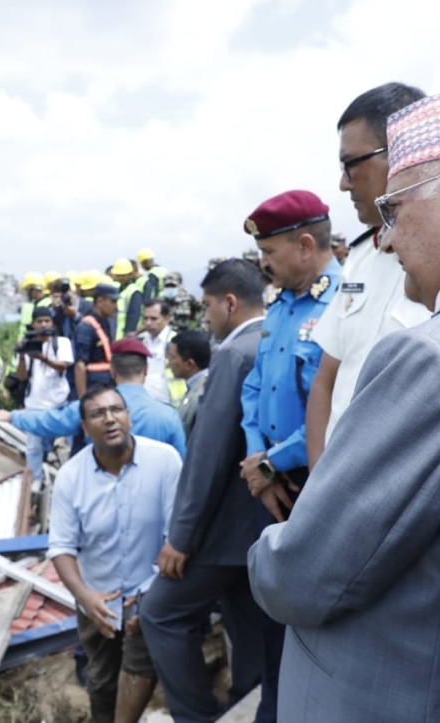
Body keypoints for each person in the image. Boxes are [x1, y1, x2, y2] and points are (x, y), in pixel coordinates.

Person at [247, 92, 440, 723]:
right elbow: (323, 383)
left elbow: (299, 574)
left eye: (397, 207)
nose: (384, 233)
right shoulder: (359, 266)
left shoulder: (427, 359)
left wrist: (288, 540)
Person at [140, 259, 265, 723]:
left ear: (229, 303)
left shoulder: (232, 354)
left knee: (160, 614)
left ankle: (194, 715)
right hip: (260, 528)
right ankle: (248, 705)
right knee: (249, 627)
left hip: (222, 530)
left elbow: (207, 456)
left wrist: (182, 538)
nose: (206, 317)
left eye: (209, 306)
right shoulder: (274, 338)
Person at [239, 190, 341, 723]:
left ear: (305, 245)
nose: (264, 265)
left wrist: (272, 463)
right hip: (268, 483)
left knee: (309, 620)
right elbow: (254, 390)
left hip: (311, 482)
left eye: (270, 253)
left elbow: (338, 407)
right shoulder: (281, 306)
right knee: (271, 617)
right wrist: (258, 462)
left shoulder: (345, 303)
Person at [306, 82, 429, 469]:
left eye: (351, 163)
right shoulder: (360, 257)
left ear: (402, 151)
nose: (344, 182)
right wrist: (319, 488)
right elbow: (326, 379)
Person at [49, 384, 182, 723]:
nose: (109, 419)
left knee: (162, 676)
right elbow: (62, 548)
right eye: (97, 414)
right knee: (103, 682)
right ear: (84, 427)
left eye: (116, 410)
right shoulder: (70, 477)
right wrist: (84, 597)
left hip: (153, 592)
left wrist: (153, 593)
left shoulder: (164, 461)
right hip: (99, 602)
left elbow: (179, 537)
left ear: (129, 416)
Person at [0, 338, 186, 460]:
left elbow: (50, 422)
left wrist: (12, 417)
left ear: (112, 370)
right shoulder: (168, 415)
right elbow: (181, 465)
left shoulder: (91, 408)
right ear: (146, 369)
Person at [15, 306, 74, 484]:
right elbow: (22, 376)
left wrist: (42, 358)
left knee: (66, 444)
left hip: (59, 402)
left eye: (46, 321)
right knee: (33, 448)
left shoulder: (61, 342)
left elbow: (63, 366)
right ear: (32, 324)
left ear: (52, 323)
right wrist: (23, 354)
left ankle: (68, 479)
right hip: (35, 404)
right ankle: (35, 482)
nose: (43, 325)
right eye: (39, 321)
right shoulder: (28, 343)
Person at [74, 284, 118, 398]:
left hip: (106, 385)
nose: (115, 306)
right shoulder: (86, 327)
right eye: (113, 301)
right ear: (100, 301)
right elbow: (80, 365)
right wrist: (83, 400)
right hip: (93, 388)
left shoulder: (106, 323)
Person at [166, 330, 211, 439]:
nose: (168, 364)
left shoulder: (202, 395)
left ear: (189, 364)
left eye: (172, 358)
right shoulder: (198, 387)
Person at [140, 300, 186, 407]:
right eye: (145, 318)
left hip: (172, 403)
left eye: (154, 319)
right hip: (147, 402)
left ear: (167, 319)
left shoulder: (177, 341)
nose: (148, 323)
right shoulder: (143, 342)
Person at [111, 258, 143, 339]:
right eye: (118, 275)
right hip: (114, 333)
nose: (121, 278)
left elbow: (134, 315)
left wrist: (128, 335)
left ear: (130, 275)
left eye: (123, 275)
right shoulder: (116, 288)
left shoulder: (134, 291)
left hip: (125, 335)